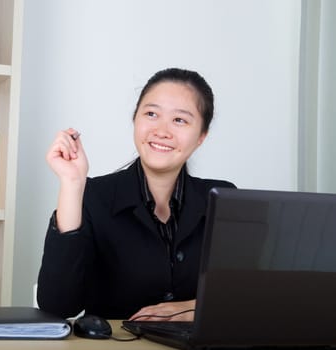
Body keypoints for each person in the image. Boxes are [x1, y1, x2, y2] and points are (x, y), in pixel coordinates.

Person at [37, 68, 236, 321]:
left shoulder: (221, 198)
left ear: (201, 137)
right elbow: (57, 307)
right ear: (135, 120)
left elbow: (245, 295)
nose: (162, 130)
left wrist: (190, 309)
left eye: (180, 120)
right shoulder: (94, 196)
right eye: (151, 114)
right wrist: (73, 184)